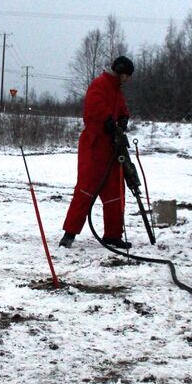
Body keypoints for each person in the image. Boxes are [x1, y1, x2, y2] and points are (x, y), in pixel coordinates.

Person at [59, 56, 134, 249]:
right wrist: (107, 121)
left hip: (112, 147)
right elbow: (93, 110)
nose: (127, 80)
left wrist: (124, 118)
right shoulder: (99, 85)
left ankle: (113, 235)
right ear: (120, 71)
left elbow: (122, 109)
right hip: (94, 146)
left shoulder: (116, 89)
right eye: (127, 75)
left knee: (115, 192)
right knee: (85, 190)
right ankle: (69, 234)